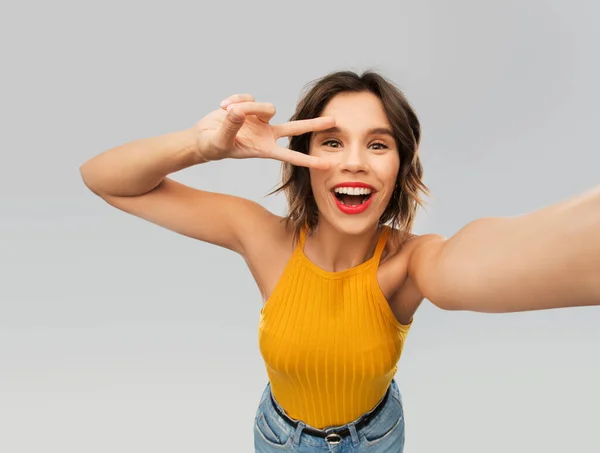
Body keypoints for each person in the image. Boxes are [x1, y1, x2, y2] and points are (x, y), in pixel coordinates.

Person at [79, 70, 600, 452]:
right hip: (278, 436)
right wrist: (201, 145)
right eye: (331, 142)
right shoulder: (261, 237)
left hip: (375, 437)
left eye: (378, 144)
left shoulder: (412, 264)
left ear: (400, 168)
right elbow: (105, 179)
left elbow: (491, 258)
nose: (353, 160)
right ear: (302, 162)